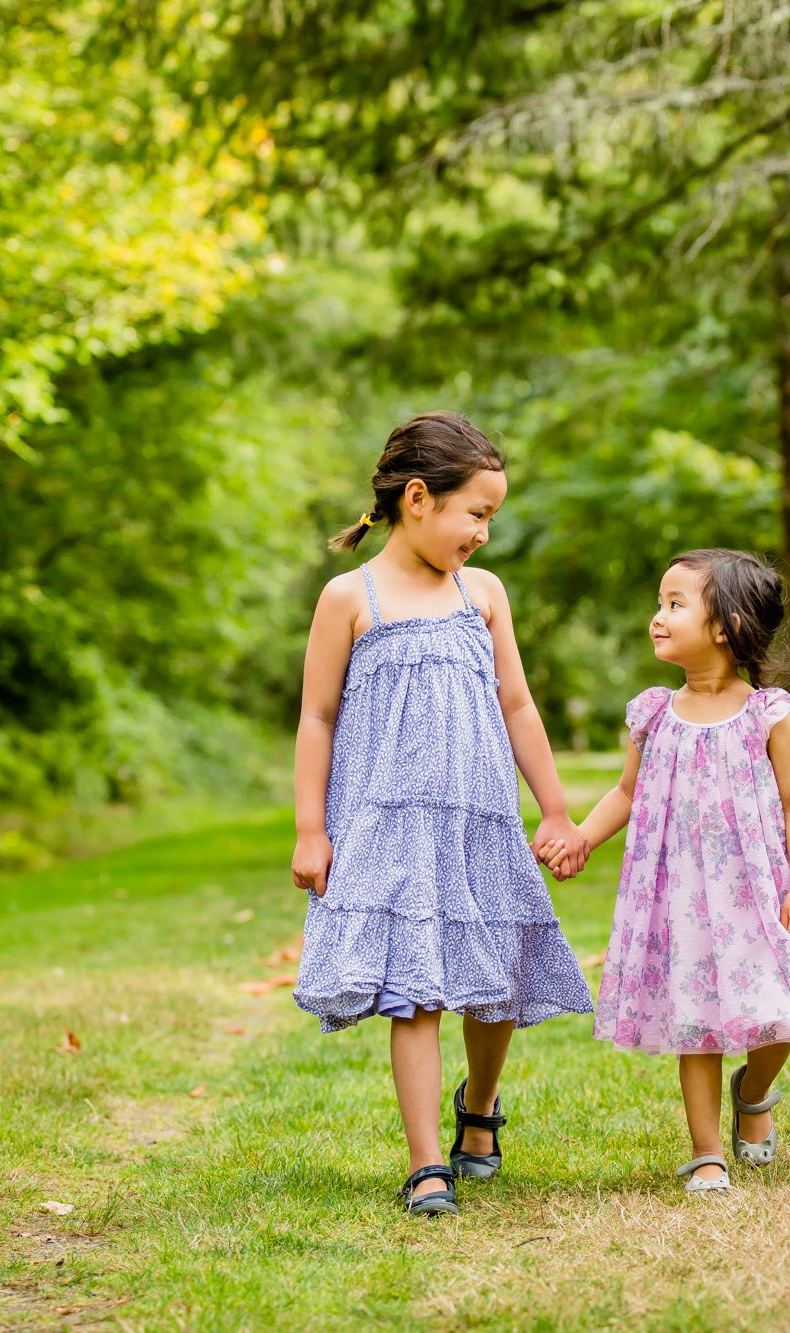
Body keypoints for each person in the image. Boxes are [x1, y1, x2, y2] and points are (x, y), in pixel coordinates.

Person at [290, 412, 594, 1217]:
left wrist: (556, 809)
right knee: (416, 990)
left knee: (491, 985)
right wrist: (311, 829)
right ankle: (428, 1164)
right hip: (390, 827)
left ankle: (480, 1108)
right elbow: (317, 717)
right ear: (418, 498)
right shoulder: (348, 597)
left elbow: (518, 704)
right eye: (478, 513)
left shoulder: (482, 594)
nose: (485, 534)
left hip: (478, 819)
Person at [542, 549, 790, 1193]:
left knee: (778, 1011)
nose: (658, 617)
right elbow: (625, 792)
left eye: (676, 605)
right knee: (695, 1022)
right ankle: (707, 1152)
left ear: (725, 626)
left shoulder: (769, 713)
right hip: (679, 898)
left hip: (755, 894)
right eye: (659, 602)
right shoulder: (652, 714)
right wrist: (585, 838)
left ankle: (753, 1093)